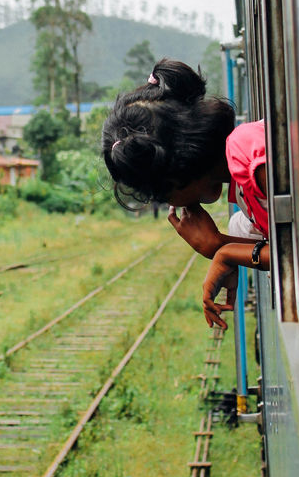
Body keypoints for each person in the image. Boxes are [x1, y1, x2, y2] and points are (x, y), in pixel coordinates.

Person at [102, 58, 270, 329]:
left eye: (160, 195)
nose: (170, 204)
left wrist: (224, 252)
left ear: (175, 176)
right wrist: (223, 246)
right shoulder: (241, 182)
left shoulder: (248, 154)